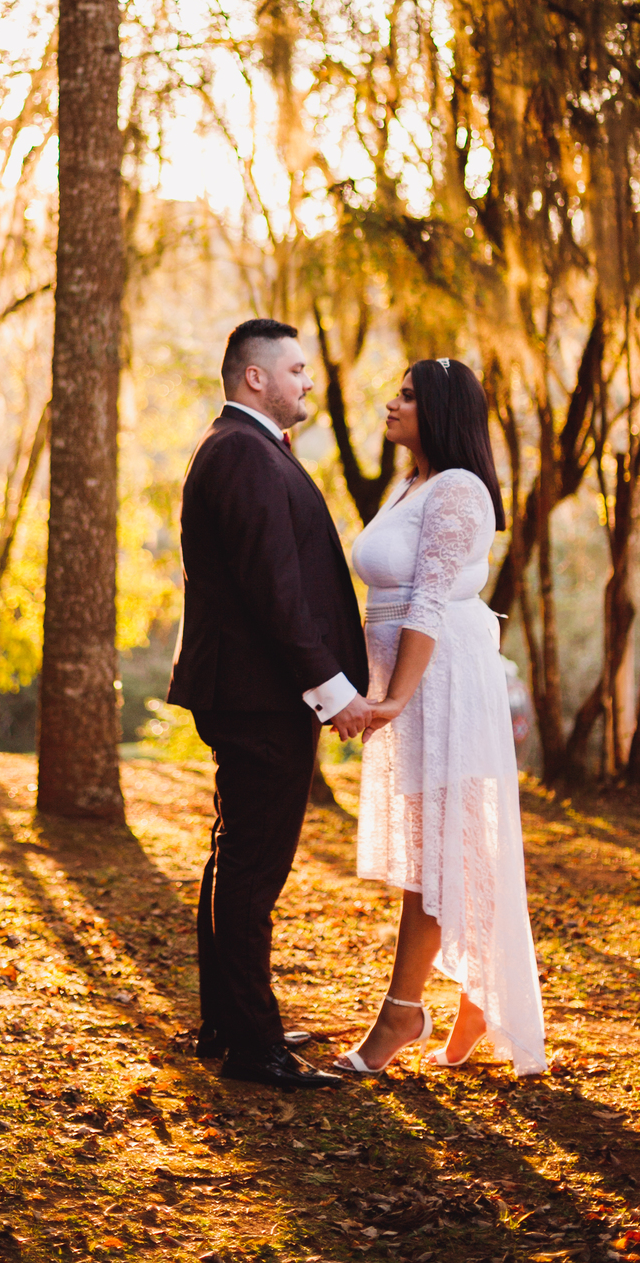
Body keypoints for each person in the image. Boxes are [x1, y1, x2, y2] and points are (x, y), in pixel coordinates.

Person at [167, 318, 373, 1088]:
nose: (307, 382)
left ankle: (232, 1023)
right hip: (259, 697)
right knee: (253, 872)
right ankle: (254, 1048)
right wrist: (333, 694)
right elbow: (276, 594)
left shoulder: (247, 450)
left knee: (235, 862)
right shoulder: (243, 455)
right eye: (296, 369)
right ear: (255, 377)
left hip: (251, 693)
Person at [333, 358, 547, 1078]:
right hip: (411, 680)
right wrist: (369, 688)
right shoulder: (413, 485)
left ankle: (403, 1011)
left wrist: (395, 696)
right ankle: (474, 991)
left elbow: (425, 602)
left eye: (409, 396)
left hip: (444, 680)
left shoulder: (457, 489)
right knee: (438, 846)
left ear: (443, 411)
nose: (391, 404)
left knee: (438, 848)